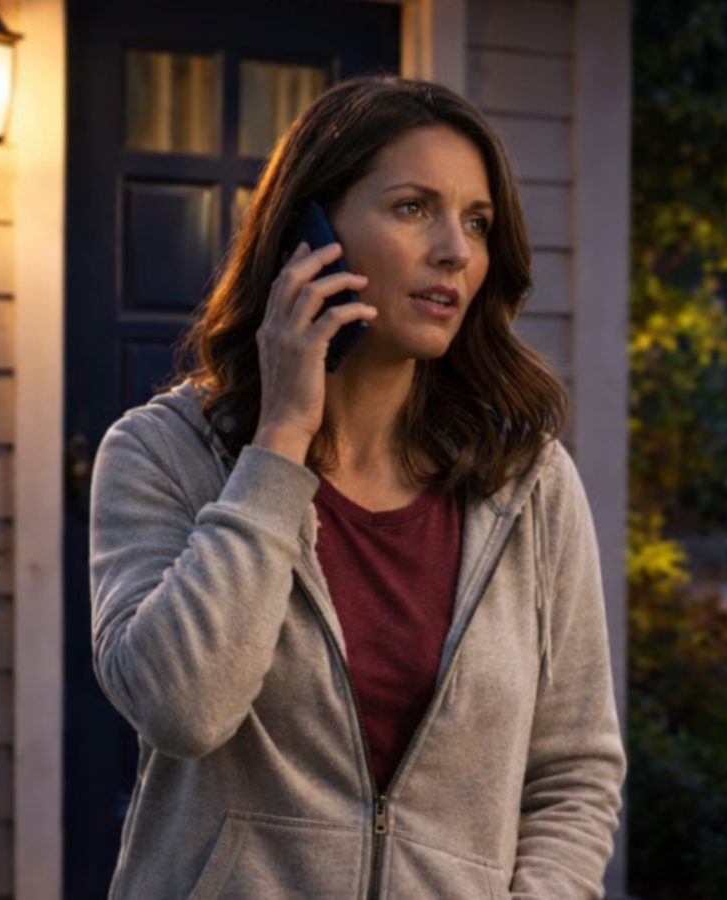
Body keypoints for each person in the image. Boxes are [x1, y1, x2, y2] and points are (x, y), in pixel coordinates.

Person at [87, 74, 624, 899]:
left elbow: (575, 770)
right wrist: (279, 444)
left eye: (476, 223)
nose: (456, 250)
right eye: (414, 208)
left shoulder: (531, 487)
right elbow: (183, 708)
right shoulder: (162, 455)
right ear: (311, 232)